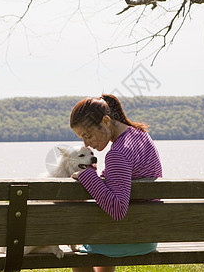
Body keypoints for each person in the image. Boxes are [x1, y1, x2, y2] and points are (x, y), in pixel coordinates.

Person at [69, 94, 163, 272]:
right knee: (103, 236)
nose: (86, 143)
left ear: (106, 121)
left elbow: (117, 209)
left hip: (127, 238)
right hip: (148, 235)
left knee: (79, 256)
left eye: (88, 135)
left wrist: (87, 175)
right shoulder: (140, 135)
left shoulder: (117, 154)